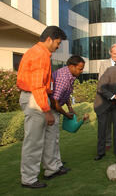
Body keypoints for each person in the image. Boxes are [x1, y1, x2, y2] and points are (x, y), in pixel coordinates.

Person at [17, 26, 66, 188]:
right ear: (49, 39)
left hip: (38, 96)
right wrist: (47, 111)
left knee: (50, 136)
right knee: (34, 141)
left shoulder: (42, 53)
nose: (58, 46)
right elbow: (37, 86)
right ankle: (29, 179)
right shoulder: (39, 55)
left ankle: (51, 168)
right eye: (58, 43)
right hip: (34, 98)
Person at [44, 55, 87, 180]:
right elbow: (55, 102)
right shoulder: (63, 77)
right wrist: (66, 114)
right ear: (71, 66)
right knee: (51, 140)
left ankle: (57, 164)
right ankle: (51, 170)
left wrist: (70, 107)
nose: (81, 71)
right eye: (80, 68)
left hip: (56, 108)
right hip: (51, 109)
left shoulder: (70, 75)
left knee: (55, 138)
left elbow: (66, 93)